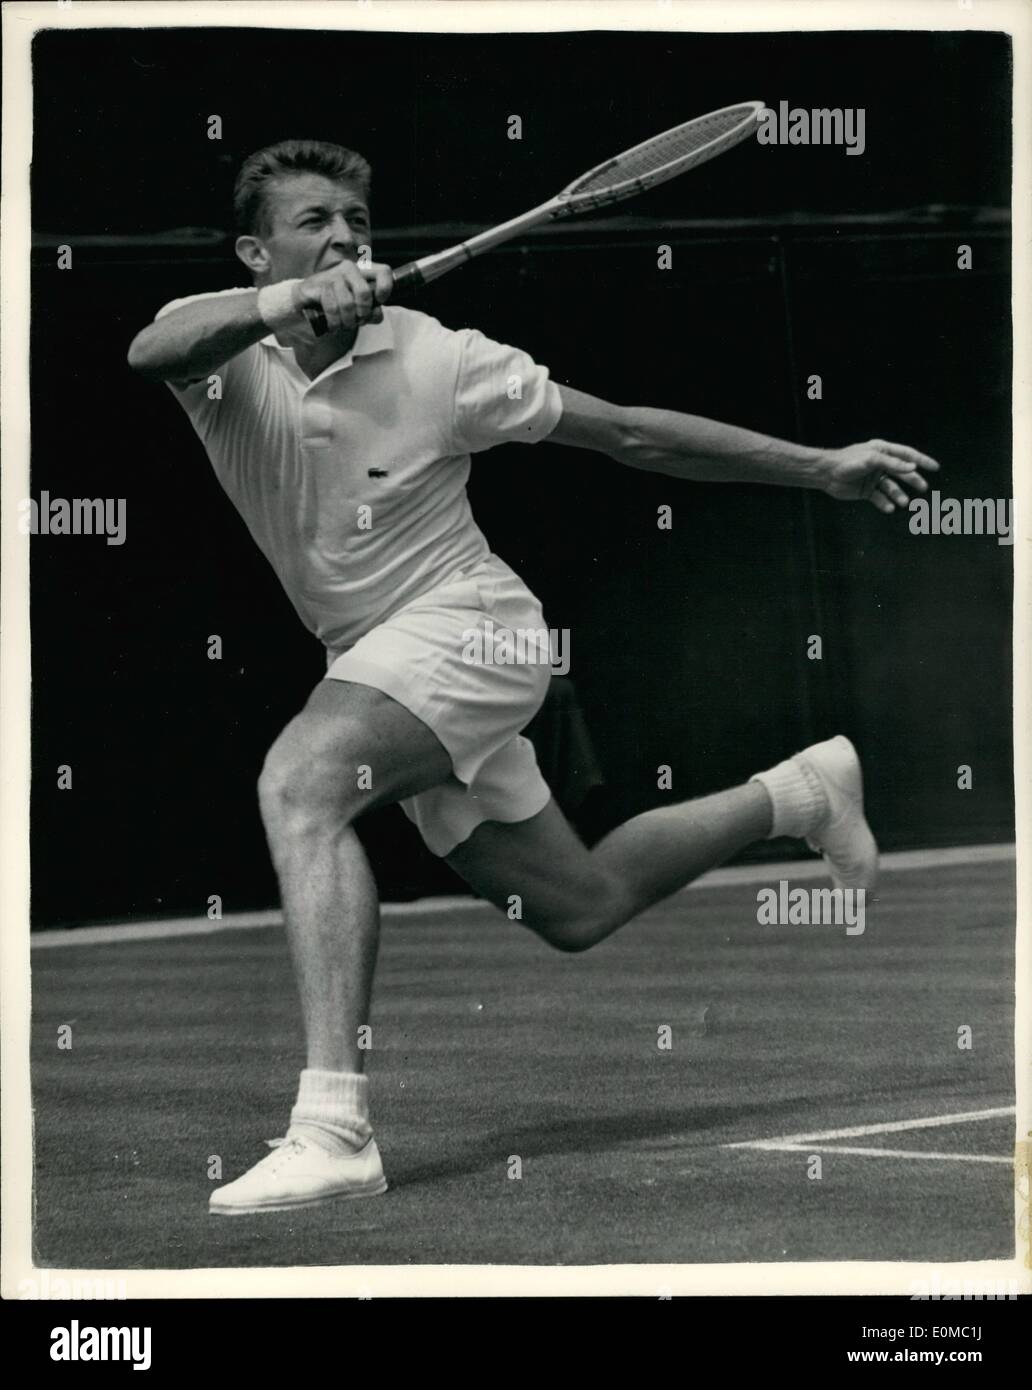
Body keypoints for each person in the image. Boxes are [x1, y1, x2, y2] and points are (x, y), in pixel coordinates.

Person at [128, 139, 939, 1215]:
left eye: (359, 218)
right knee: (580, 902)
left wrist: (821, 465)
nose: (347, 236)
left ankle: (334, 1129)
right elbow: (151, 348)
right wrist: (286, 309)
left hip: (473, 629)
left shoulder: (443, 358)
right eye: (316, 219)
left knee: (301, 782)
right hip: (372, 657)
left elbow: (635, 435)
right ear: (255, 251)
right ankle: (796, 792)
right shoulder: (224, 346)